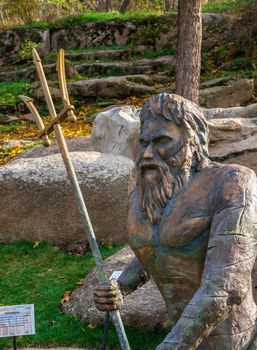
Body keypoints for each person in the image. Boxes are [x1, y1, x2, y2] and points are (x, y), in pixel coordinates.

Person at [94, 93, 257, 349]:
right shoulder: (143, 193)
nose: (147, 154)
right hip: (182, 340)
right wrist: (120, 286)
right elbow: (156, 248)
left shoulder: (231, 183)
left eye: (162, 141)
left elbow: (225, 287)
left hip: (234, 341)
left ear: (192, 142)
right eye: (144, 142)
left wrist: (170, 347)